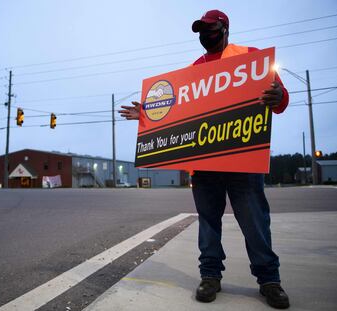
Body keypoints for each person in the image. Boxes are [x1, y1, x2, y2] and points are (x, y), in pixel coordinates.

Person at [119, 9, 290, 310]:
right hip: (206, 166)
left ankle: (270, 281)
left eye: (209, 29)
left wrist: (280, 97)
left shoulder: (251, 59)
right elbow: (176, 111)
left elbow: (279, 99)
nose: (204, 35)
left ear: (224, 28)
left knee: (255, 223)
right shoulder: (194, 71)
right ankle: (210, 276)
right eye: (200, 30)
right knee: (208, 224)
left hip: (242, 162)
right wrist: (144, 115)